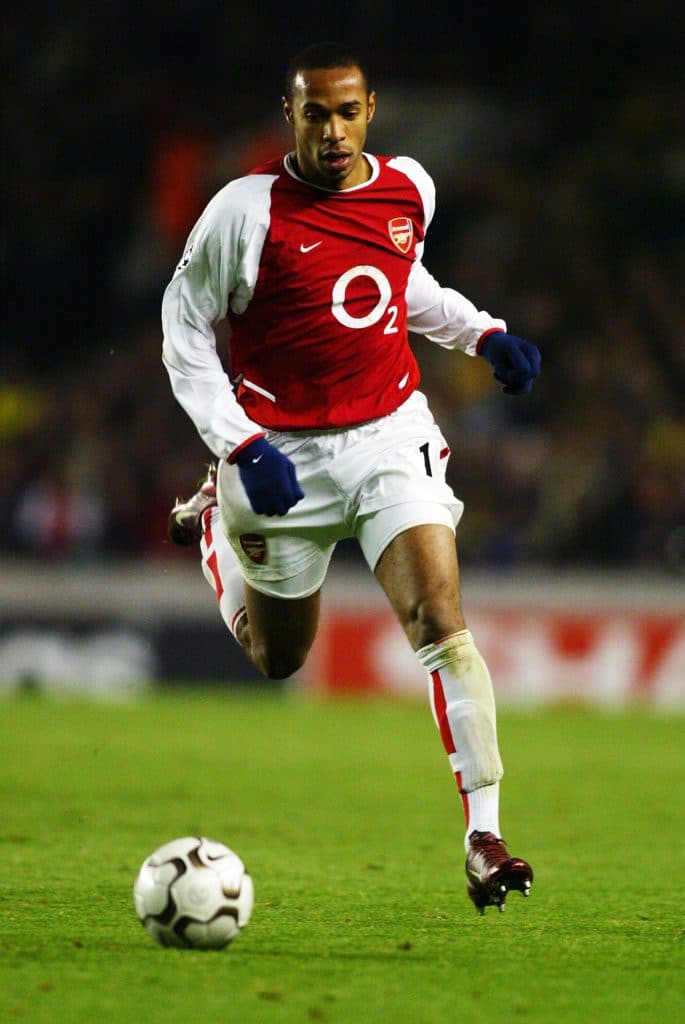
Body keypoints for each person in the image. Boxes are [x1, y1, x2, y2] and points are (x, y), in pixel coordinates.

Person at [162, 42, 540, 914]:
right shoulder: (243, 212)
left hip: (384, 434)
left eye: (345, 112)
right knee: (277, 658)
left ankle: (483, 835)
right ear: (287, 115)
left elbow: (396, 285)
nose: (331, 131)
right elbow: (183, 334)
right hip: (277, 453)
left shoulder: (409, 187)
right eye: (313, 113)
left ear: (370, 110)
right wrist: (241, 443)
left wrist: (482, 334)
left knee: (440, 619)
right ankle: (214, 518)